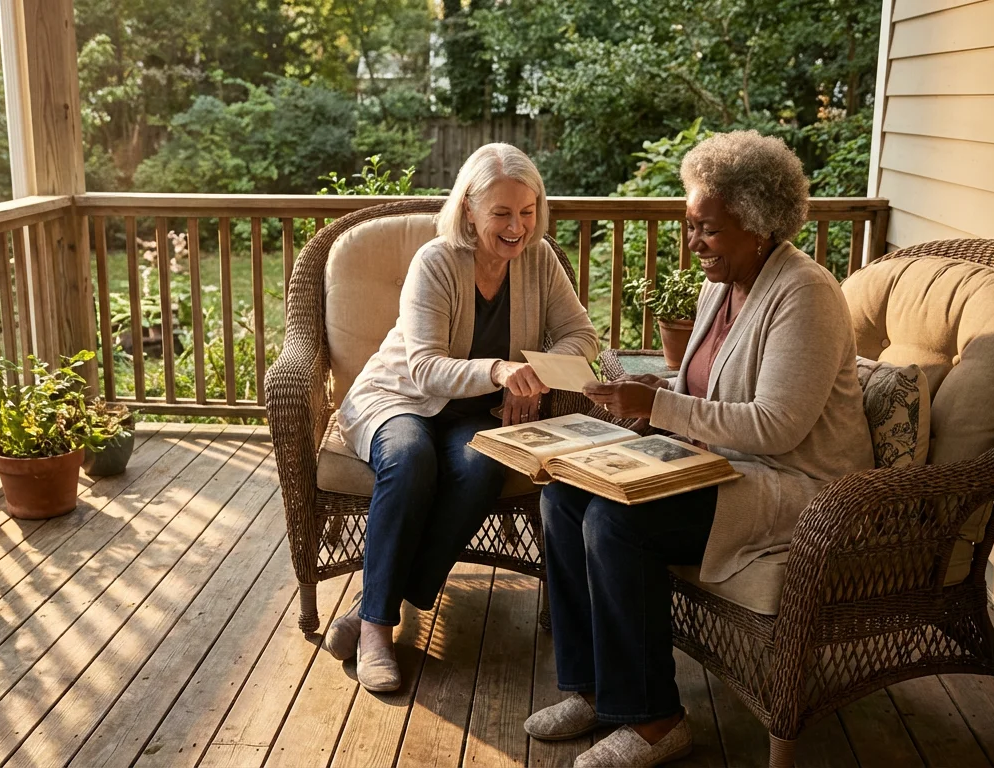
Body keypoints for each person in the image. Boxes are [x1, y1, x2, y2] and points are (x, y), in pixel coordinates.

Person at [523, 130, 873, 766]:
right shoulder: (720, 287)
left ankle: (655, 720)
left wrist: (656, 406)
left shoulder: (806, 294)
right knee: (565, 498)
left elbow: (778, 427)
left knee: (616, 520)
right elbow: (700, 390)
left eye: (707, 229)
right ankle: (590, 688)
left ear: (758, 225)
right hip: (714, 466)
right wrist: (652, 394)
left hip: (795, 487)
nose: (693, 243)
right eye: (690, 226)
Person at [325, 143, 599, 693]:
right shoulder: (436, 262)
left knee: (481, 467)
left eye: (527, 211)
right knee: (408, 458)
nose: (517, 227)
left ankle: (373, 603)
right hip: (399, 398)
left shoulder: (540, 260)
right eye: (501, 213)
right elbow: (425, 369)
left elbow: (583, 337)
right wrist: (500, 372)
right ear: (469, 209)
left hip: (476, 413)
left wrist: (530, 372)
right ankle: (377, 630)